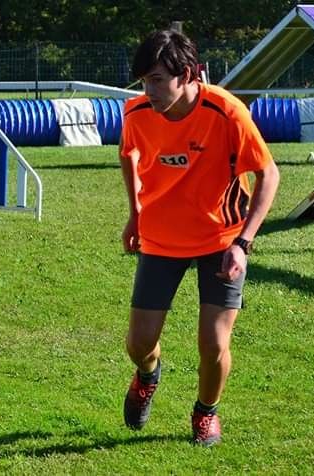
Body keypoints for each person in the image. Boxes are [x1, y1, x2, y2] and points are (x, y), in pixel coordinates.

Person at [118, 30, 280, 446]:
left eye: (157, 79)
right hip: (160, 238)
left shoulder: (226, 112)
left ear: (187, 74)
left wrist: (242, 244)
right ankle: (148, 375)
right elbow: (129, 157)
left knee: (213, 342)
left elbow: (268, 174)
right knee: (139, 343)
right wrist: (135, 217)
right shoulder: (136, 113)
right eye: (143, 81)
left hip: (221, 241)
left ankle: (205, 412)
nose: (148, 90)